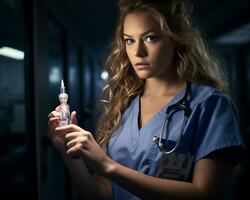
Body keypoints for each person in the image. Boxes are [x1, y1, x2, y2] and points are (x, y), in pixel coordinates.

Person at [48, 0, 245, 199]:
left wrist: (108, 166)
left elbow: (206, 194)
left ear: (176, 39)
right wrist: (69, 154)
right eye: (129, 40)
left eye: (150, 38)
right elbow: (102, 194)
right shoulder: (123, 105)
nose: (138, 52)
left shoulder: (208, 105)